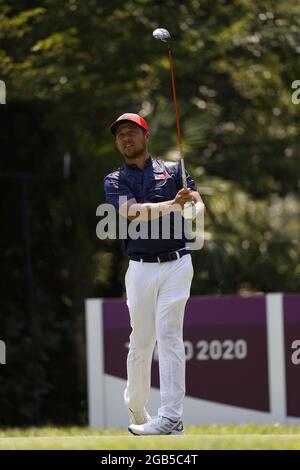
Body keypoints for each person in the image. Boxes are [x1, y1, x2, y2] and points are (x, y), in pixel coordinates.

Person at [104, 113, 204, 435]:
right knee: (142, 342)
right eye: (120, 135)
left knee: (170, 336)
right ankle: (137, 410)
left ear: (147, 137)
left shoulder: (175, 171)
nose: (125, 139)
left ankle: (172, 416)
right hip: (140, 270)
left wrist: (190, 208)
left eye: (132, 132)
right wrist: (175, 206)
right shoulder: (114, 180)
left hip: (176, 264)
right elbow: (132, 213)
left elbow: (198, 208)